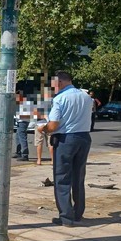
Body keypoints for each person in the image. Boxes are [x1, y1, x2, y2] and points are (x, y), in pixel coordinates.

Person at [36, 71, 93, 227]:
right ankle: (78, 213)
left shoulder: (60, 99)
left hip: (66, 139)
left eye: (53, 84)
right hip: (84, 138)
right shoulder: (86, 97)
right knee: (78, 177)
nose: (53, 87)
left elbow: (53, 125)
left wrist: (43, 129)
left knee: (62, 178)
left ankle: (66, 217)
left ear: (59, 82)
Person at [34, 87, 54, 165]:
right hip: (50, 123)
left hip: (40, 123)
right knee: (51, 143)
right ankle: (53, 160)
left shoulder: (39, 102)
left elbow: (36, 113)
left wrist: (42, 116)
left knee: (39, 142)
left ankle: (39, 160)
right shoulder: (53, 102)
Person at [13, 90, 31, 161]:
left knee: (22, 137)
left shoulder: (23, 102)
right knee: (18, 136)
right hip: (21, 121)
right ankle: (19, 152)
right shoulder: (22, 102)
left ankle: (25, 154)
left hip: (23, 121)